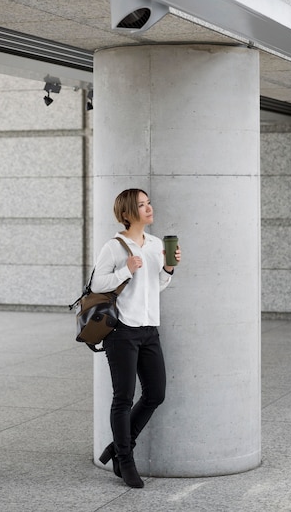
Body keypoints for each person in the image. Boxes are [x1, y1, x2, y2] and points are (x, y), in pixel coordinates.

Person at [91, 188, 181, 488]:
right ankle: (126, 461)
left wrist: (168, 268)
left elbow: (156, 287)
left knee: (156, 393)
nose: (149, 208)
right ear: (128, 213)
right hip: (121, 331)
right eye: (141, 205)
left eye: (148, 203)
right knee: (123, 398)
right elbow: (96, 284)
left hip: (149, 329)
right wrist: (125, 271)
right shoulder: (115, 247)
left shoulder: (156, 244)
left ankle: (117, 447)